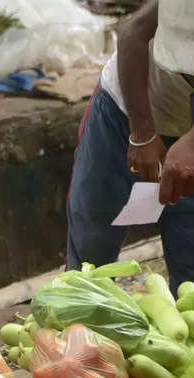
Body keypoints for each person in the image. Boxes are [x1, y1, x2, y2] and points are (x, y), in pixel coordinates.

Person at [66, 0, 194, 295]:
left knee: (190, 268)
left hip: (186, 127)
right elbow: (132, 35)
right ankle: (84, 328)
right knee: (92, 249)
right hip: (124, 113)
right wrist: (142, 133)